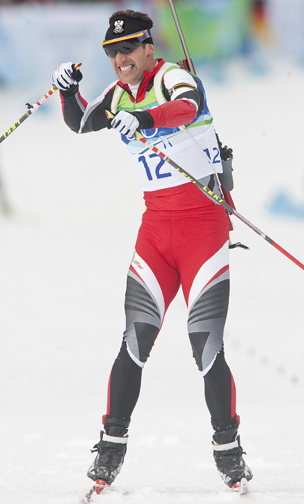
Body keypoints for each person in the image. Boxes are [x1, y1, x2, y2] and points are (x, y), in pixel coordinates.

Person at [52, 9, 253, 492]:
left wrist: (142, 118)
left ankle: (228, 449)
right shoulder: (119, 93)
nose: (120, 59)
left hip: (202, 230)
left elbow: (187, 107)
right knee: (135, 340)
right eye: (112, 52)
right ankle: (110, 448)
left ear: (148, 47)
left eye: (128, 49)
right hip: (156, 232)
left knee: (204, 346)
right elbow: (82, 121)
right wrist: (66, 90)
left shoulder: (172, 77)